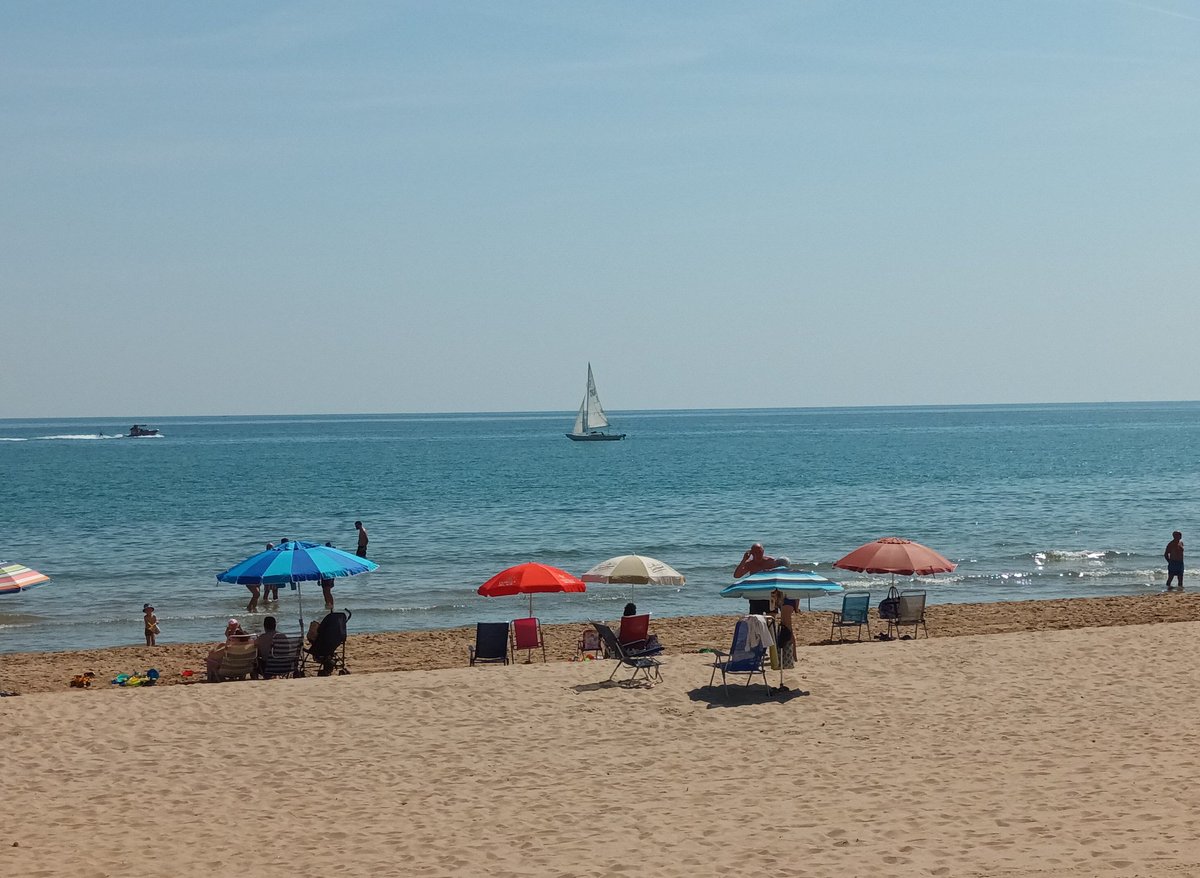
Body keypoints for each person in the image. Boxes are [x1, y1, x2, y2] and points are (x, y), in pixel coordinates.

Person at [770, 589, 796, 670]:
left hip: (787, 601)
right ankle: (793, 655)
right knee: (786, 627)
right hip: (785, 601)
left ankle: (793, 655)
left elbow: (797, 594)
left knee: (787, 627)